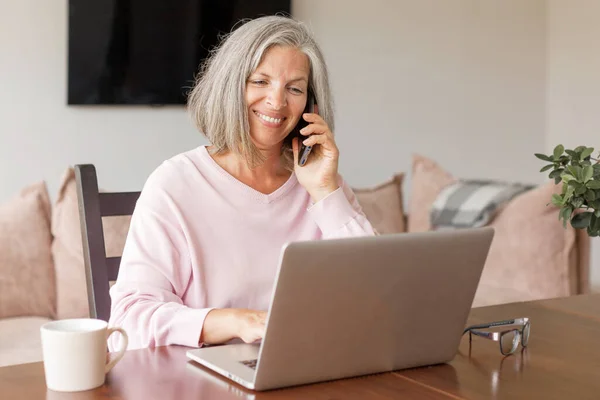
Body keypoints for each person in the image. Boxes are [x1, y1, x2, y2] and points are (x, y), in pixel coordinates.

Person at [108, 15, 376, 351]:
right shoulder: (175, 185)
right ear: (232, 86)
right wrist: (236, 321)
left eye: (294, 88)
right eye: (261, 81)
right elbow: (128, 320)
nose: (277, 102)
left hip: (305, 367)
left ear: (310, 105)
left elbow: (376, 295)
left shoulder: (321, 185)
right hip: (202, 378)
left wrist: (325, 191)